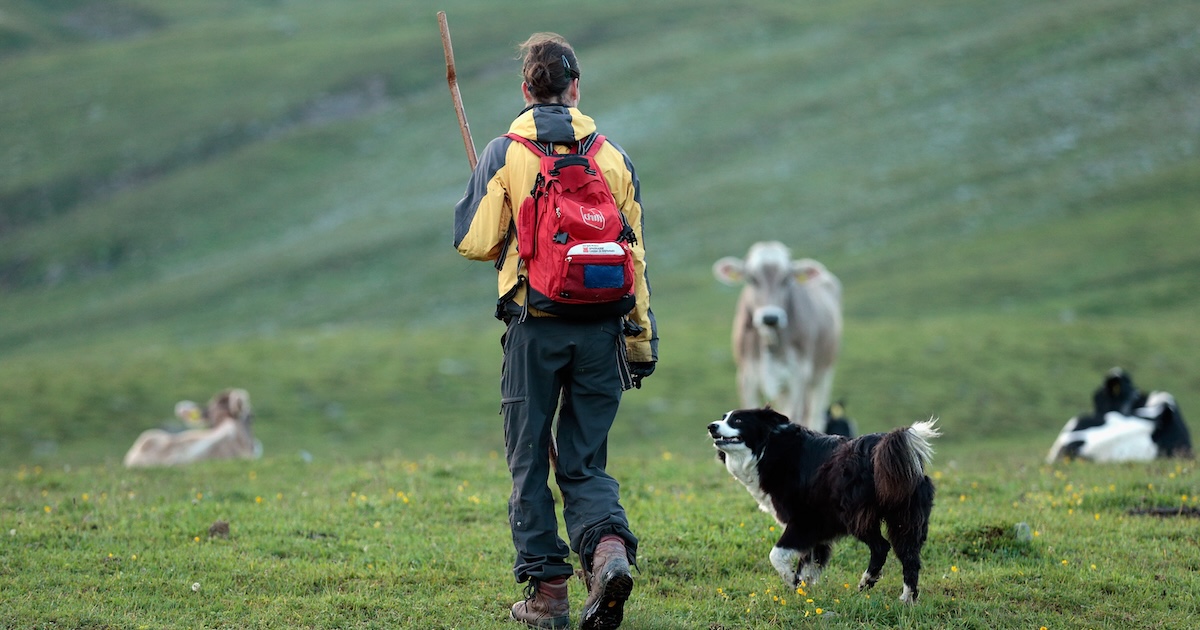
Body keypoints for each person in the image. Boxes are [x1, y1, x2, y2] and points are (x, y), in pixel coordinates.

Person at [453, 32, 658, 630]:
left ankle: (548, 597)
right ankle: (608, 553)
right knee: (584, 463)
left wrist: (501, 212)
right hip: (603, 330)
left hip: (534, 328)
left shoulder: (504, 153)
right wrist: (639, 341)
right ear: (575, 90)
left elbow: (474, 242)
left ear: (526, 90)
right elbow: (634, 257)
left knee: (528, 463)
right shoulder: (612, 157)